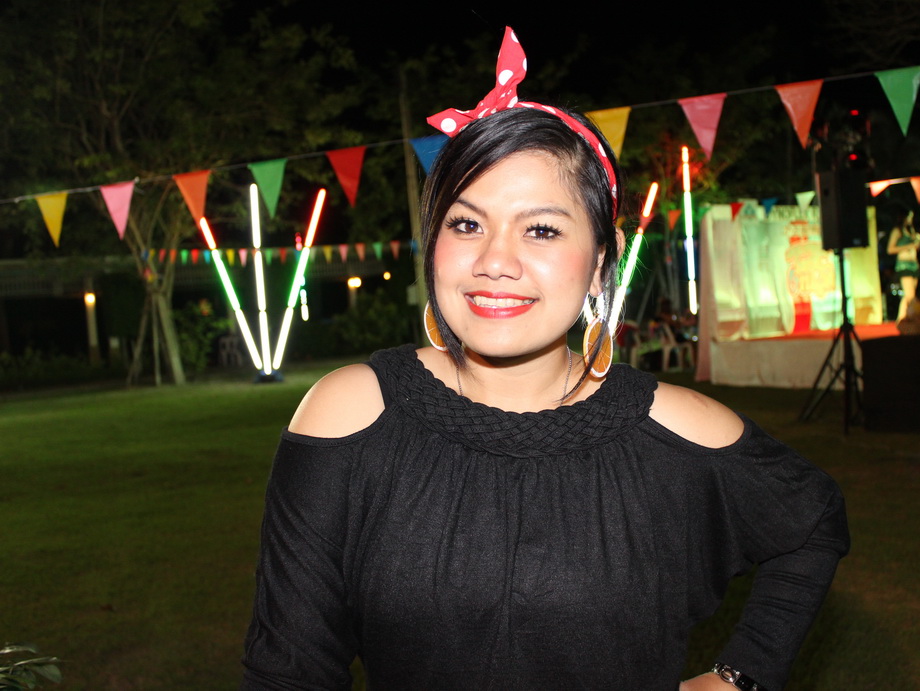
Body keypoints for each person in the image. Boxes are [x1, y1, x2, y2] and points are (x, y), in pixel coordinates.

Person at [241, 27, 849, 691]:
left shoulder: (676, 432)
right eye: (466, 223)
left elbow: (812, 520)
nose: (495, 261)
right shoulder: (349, 417)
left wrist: (740, 674)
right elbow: (287, 670)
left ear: (599, 260)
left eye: (541, 229)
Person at [886, 207, 920, 323]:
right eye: (909, 216)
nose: (911, 219)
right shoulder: (897, 231)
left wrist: (917, 242)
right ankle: (908, 319)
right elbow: (890, 249)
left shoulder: (911, 231)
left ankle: (901, 318)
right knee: (910, 295)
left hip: (913, 264)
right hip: (904, 265)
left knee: (909, 295)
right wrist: (908, 246)